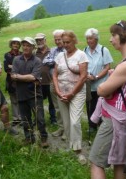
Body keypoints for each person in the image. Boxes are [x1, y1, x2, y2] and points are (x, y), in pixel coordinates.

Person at [89, 20, 126, 179]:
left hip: (113, 120)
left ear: (124, 36)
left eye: (113, 35)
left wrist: (105, 85)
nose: (111, 39)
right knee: (119, 165)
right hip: (124, 119)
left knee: (96, 162)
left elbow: (101, 90)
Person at [52, 31, 88, 164]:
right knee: (66, 123)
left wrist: (71, 93)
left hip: (76, 93)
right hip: (61, 93)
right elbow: (55, 75)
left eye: (68, 42)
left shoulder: (81, 55)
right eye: (63, 42)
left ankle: (78, 151)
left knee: (74, 122)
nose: (65, 45)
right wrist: (57, 90)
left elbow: (83, 76)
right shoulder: (60, 56)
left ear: (74, 41)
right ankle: (70, 146)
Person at [11, 37, 49, 148]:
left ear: (33, 47)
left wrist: (19, 76)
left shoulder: (37, 60)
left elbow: (33, 77)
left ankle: (43, 137)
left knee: (39, 118)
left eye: (28, 45)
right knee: (25, 119)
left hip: (35, 94)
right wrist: (25, 77)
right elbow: (13, 76)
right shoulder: (16, 60)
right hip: (21, 94)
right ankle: (29, 137)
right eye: (24, 45)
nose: (26, 47)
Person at [84, 28, 113, 133]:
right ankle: (91, 126)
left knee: (101, 105)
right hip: (88, 85)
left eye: (90, 38)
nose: (88, 41)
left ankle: (102, 126)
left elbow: (107, 67)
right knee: (90, 105)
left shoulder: (103, 50)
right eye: (87, 38)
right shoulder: (85, 50)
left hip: (101, 85)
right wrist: (86, 75)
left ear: (96, 39)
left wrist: (95, 77)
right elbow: (83, 65)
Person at [42, 29, 66, 139]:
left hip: (66, 83)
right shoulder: (53, 50)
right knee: (57, 107)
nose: (57, 41)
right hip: (53, 82)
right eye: (55, 39)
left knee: (67, 107)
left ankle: (67, 129)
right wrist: (57, 61)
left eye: (59, 39)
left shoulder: (69, 49)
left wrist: (54, 61)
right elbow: (45, 61)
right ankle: (61, 128)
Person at [35, 33, 57, 125]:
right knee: (38, 103)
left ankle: (53, 119)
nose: (39, 42)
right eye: (37, 40)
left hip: (51, 81)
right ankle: (40, 120)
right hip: (39, 82)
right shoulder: (34, 53)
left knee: (52, 102)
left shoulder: (52, 51)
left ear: (45, 40)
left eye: (41, 39)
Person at [4, 37, 22, 127]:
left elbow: (23, 67)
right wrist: (16, 68)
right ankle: (16, 118)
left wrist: (13, 66)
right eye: (14, 43)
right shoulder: (7, 55)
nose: (15, 45)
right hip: (11, 81)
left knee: (21, 99)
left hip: (21, 80)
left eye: (17, 43)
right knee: (13, 100)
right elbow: (6, 68)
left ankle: (22, 117)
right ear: (11, 44)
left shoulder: (22, 54)